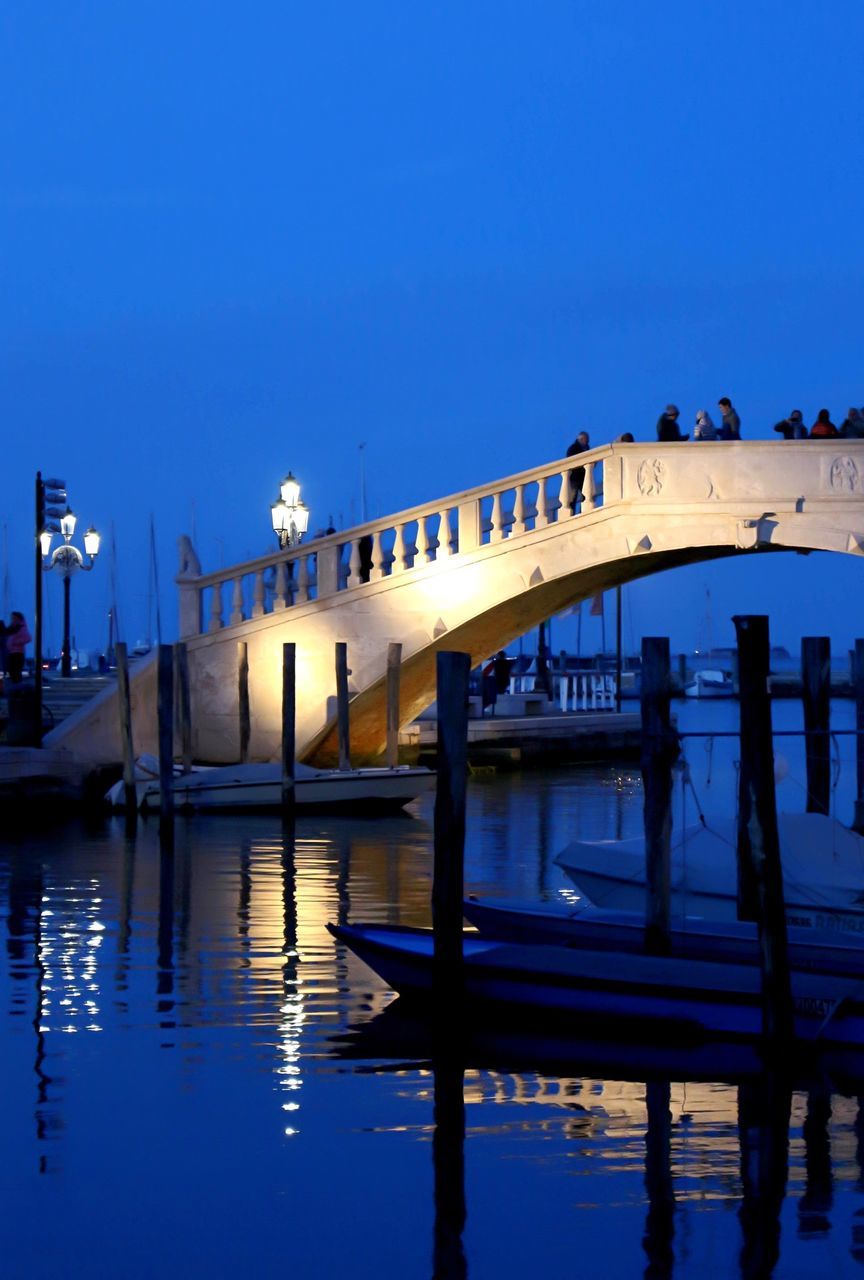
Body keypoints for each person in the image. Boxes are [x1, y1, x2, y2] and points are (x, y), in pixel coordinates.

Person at [6, 611, 31, 683]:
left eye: (14, 618)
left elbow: (28, 638)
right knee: (11, 671)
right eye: (12, 618)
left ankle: (18, 688)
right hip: (11, 652)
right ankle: (15, 688)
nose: (13, 619)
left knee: (15, 672)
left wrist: (16, 642)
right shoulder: (12, 628)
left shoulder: (21, 628)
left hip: (18, 653)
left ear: (19, 619)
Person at [566, 431, 590, 506]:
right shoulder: (573, 448)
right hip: (574, 477)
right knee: (572, 497)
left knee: (585, 496)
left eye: (586, 439)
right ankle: (571, 513)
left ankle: (582, 511)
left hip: (583, 477)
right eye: (584, 439)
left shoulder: (587, 448)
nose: (586, 441)